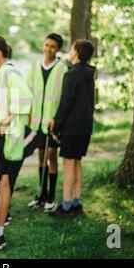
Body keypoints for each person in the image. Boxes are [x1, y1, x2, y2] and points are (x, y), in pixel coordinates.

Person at [0, 36, 32, 250]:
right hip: (0, 138)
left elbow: (26, 99)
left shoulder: (9, 72)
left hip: (3, 139)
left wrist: (5, 122)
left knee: (0, 184)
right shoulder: (4, 73)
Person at [49, 39, 95, 218]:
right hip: (85, 127)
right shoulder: (89, 73)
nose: (69, 51)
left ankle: (66, 206)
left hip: (72, 128)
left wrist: (56, 126)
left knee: (68, 164)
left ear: (76, 53)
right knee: (77, 163)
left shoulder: (72, 74)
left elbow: (65, 103)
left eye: (71, 48)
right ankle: (76, 201)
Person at [24, 33, 67, 212]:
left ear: (58, 50)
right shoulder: (34, 67)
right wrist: (27, 114)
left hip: (52, 122)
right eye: (46, 45)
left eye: (52, 47)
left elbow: (64, 97)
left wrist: (57, 120)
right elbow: (27, 91)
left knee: (51, 155)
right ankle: (41, 195)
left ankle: (51, 197)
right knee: (41, 156)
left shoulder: (62, 68)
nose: (48, 49)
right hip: (37, 122)